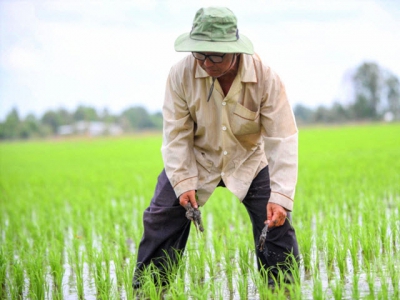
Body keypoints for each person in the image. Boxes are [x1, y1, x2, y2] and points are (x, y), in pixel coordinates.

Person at [133, 6, 299, 289]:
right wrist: (183, 181)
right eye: (199, 53)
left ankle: (282, 291)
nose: (206, 62)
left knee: (275, 225)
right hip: (197, 159)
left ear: (234, 50)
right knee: (160, 217)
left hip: (248, 159)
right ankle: (149, 292)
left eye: (215, 55)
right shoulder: (180, 75)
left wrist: (281, 196)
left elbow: (281, 138)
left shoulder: (265, 78)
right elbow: (176, 134)